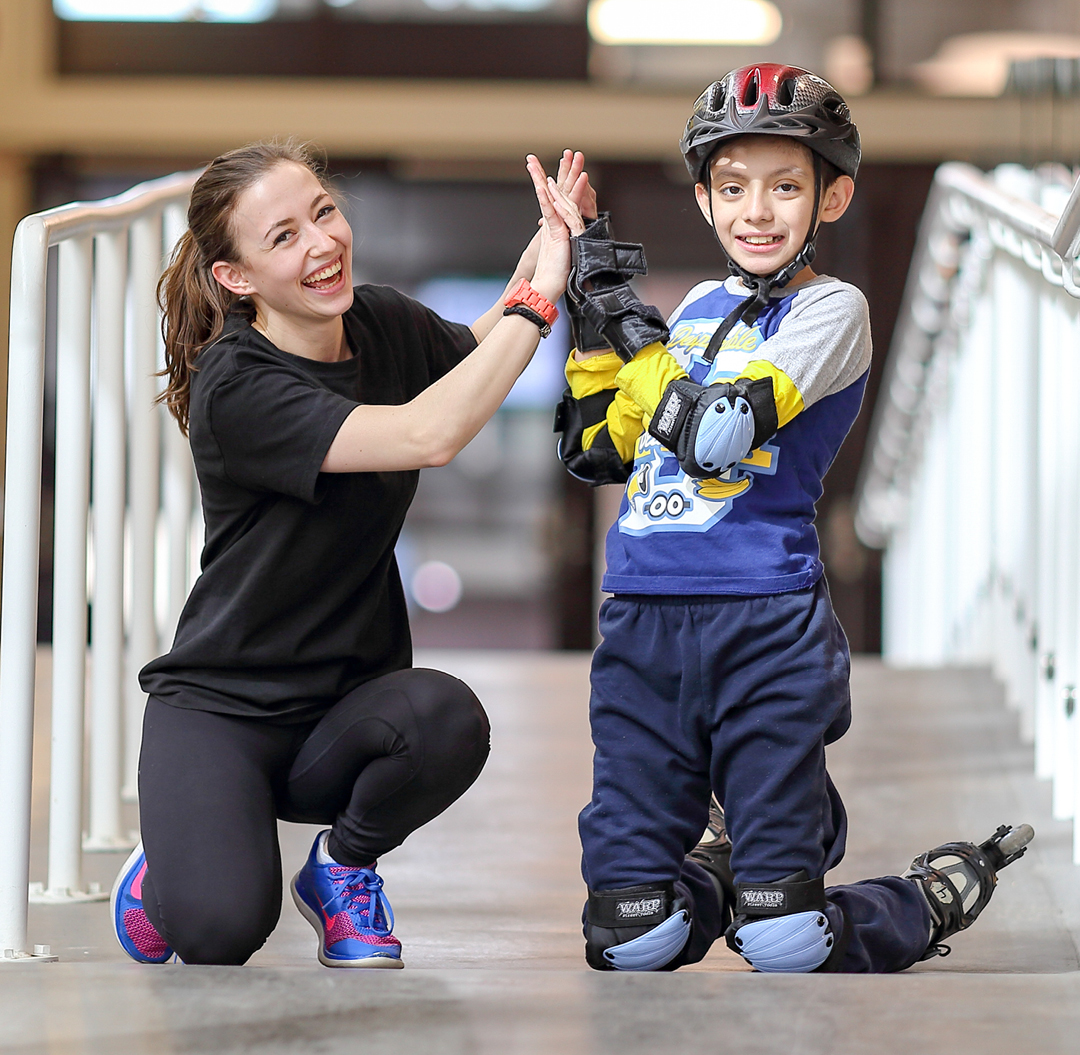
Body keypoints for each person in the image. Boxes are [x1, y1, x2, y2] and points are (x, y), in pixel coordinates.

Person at [548, 64, 1033, 973]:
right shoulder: (695, 307)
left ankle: (914, 900)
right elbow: (602, 449)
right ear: (703, 200)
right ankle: (740, 864)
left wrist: (628, 326)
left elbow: (715, 434)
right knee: (626, 942)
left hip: (764, 625)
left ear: (833, 197)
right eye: (732, 188)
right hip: (642, 625)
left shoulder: (831, 310)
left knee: (784, 945)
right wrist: (587, 307)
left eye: (784, 187)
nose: (756, 212)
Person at [110, 139, 585, 968]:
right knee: (218, 934)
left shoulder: (383, 323)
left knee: (447, 717)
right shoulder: (239, 386)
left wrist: (544, 253)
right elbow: (429, 432)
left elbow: (474, 360)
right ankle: (181, 856)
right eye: (283, 237)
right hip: (224, 710)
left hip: (341, 710)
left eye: (323, 213)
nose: (322, 244)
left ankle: (341, 867)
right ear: (237, 278)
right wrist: (542, 304)